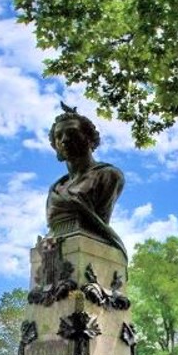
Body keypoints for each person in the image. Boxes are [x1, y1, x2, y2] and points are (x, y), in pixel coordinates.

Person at [44, 104, 127, 258]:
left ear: (89, 139)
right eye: (59, 136)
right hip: (53, 247)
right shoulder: (56, 188)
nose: (65, 140)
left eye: (72, 133)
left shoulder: (108, 175)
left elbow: (100, 222)